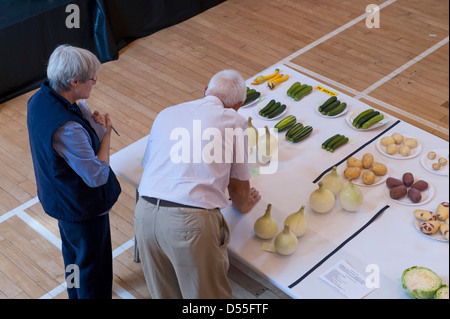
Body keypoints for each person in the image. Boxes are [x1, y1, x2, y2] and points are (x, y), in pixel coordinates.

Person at [134, 69, 261, 299]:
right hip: (188, 222)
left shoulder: (166, 112)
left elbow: (150, 163)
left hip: (144, 214)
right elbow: (238, 188)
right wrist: (243, 205)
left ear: (205, 91)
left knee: (165, 294)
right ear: (239, 105)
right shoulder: (234, 120)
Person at [27, 44, 121, 299]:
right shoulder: (69, 127)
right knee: (94, 271)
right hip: (82, 208)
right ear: (74, 81)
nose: (95, 83)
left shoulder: (39, 99)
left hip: (60, 200)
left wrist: (94, 128)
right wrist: (107, 134)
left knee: (73, 257)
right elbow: (97, 175)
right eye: (92, 79)